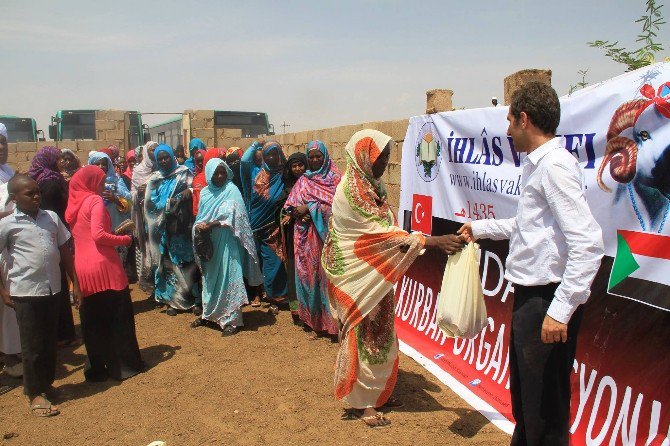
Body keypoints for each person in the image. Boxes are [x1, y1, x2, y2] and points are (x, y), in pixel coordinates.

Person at [459, 82, 604, 445]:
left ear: (524, 119)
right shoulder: (538, 166)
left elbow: (588, 244)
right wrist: (479, 228)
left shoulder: (554, 167)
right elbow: (527, 227)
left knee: (545, 411)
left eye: (509, 121)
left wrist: (560, 310)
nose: (507, 130)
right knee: (528, 403)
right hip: (532, 300)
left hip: (546, 301)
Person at [323, 129, 464, 428]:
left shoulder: (373, 187)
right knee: (363, 333)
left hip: (376, 273)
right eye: (380, 157)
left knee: (383, 331)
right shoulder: (351, 190)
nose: (385, 162)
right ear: (362, 157)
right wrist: (432, 242)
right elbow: (377, 235)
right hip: (356, 275)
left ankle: (379, 392)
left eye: (388, 156)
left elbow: (386, 229)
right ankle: (363, 403)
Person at [0, 174, 82, 417]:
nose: (37, 196)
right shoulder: (7, 225)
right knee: (32, 345)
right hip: (25, 292)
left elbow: (65, 251)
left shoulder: (51, 218)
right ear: (14, 199)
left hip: (52, 289)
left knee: (48, 343)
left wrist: (75, 283)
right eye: (30, 193)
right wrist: (3, 291)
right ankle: (34, 394)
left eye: (38, 192)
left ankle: (46, 386)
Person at [65, 166, 143, 382]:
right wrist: (125, 239)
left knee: (93, 321)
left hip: (83, 266)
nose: (102, 186)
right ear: (90, 183)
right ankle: (124, 366)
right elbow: (99, 236)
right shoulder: (94, 201)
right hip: (105, 265)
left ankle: (97, 368)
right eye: (99, 182)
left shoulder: (74, 204)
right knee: (119, 317)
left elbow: (85, 236)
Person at [192, 159, 263, 336]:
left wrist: (212, 224)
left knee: (229, 276)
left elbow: (236, 216)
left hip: (228, 242)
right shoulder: (207, 193)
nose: (220, 176)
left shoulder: (232, 190)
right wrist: (200, 227)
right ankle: (209, 314)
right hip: (210, 243)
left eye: (223, 172)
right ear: (209, 174)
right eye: (216, 173)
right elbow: (201, 216)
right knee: (210, 279)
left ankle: (232, 320)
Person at [283, 141, 340, 337]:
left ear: (325, 156)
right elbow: (290, 204)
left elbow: (339, 207)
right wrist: (298, 213)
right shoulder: (304, 180)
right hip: (305, 239)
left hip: (327, 239)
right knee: (307, 276)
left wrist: (311, 208)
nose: (315, 160)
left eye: (319, 156)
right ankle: (312, 320)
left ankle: (331, 324)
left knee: (326, 279)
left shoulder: (335, 179)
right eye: (312, 157)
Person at [27, 147, 77, 347]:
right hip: (54, 235)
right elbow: (53, 210)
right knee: (59, 284)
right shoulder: (50, 183)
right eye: (56, 159)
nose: (59, 162)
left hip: (47, 236)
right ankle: (62, 333)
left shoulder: (37, 178)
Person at [144, 144, 200, 315]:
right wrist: (164, 210)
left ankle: (193, 299)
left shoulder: (184, 173)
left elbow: (196, 188)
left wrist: (188, 192)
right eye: (160, 158)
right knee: (168, 265)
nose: (163, 160)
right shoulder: (154, 179)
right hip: (162, 232)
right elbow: (149, 207)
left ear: (172, 157)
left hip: (181, 230)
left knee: (186, 263)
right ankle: (172, 302)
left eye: (166, 157)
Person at [240, 140, 289, 313]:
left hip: (275, 225)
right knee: (257, 263)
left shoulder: (285, 173)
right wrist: (255, 145)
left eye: (275, 153)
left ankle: (277, 296)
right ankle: (258, 294)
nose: (272, 157)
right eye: (268, 154)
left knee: (275, 261)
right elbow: (244, 161)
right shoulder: (255, 173)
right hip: (255, 226)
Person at [0, 125, 21, 378]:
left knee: (9, 302)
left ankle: (11, 352)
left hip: (9, 246)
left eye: (4, 142)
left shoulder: (9, 173)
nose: (1, 148)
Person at [278, 152, 308, 324]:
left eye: (300, 165)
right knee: (294, 269)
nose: (297, 169)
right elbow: (281, 209)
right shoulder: (286, 186)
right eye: (294, 166)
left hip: (311, 233)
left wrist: (308, 212)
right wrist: (291, 214)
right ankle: (297, 310)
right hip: (293, 234)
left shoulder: (313, 184)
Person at [131, 141, 158, 292]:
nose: (154, 152)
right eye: (151, 150)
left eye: (156, 149)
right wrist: (141, 192)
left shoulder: (164, 167)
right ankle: (149, 282)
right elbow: (132, 193)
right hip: (143, 214)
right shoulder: (139, 171)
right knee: (147, 246)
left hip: (159, 215)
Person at [88, 151, 132, 231]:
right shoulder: (87, 183)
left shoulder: (117, 181)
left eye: (104, 164)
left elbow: (129, 203)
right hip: (95, 223)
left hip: (115, 221)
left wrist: (115, 199)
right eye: (97, 164)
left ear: (108, 166)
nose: (101, 166)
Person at [190, 147, 214, 216]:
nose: (200, 163)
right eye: (198, 161)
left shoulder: (211, 175)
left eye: (202, 160)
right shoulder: (194, 175)